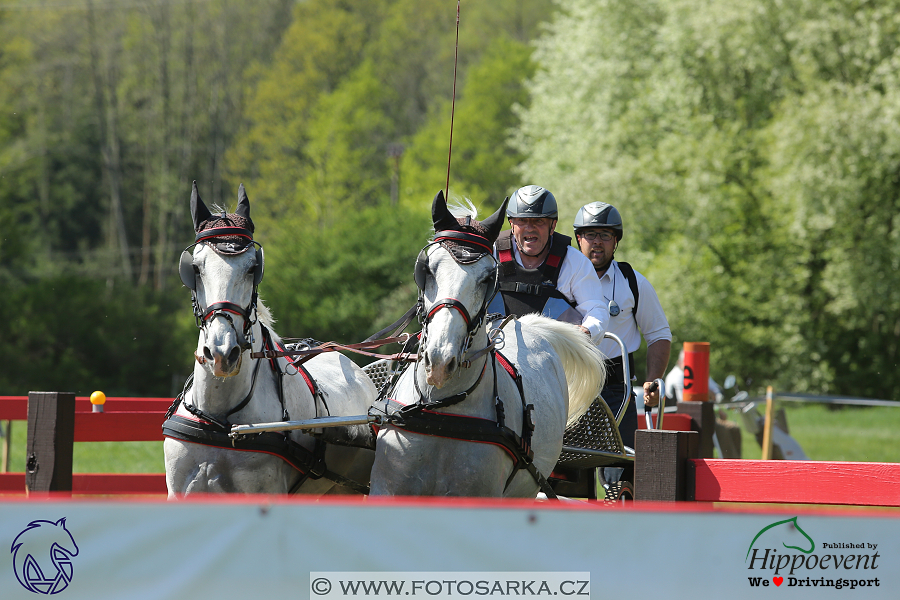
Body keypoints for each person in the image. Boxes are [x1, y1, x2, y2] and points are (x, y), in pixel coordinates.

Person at [573, 201, 671, 449]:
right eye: (590, 234)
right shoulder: (561, 278)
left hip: (617, 391)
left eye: (605, 235)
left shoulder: (633, 282)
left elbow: (659, 334)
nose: (597, 241)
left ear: (616, 241)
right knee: (565, 472)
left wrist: (653, 380)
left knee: (621, 471)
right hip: (569, 388)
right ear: (578, 238)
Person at [487, 185, 609, 345]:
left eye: (539, 221)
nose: (530, 228)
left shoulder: (574, 261)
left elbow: (596, 309)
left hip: (555, 356)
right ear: (511, 224)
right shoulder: (490, 254)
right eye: (522, 220)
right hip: (494, 353)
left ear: (553, 226)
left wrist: (588, 330)